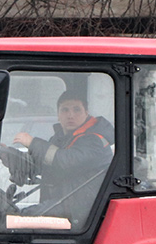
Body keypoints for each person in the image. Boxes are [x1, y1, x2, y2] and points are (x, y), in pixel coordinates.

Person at [8, 92, 114, 220]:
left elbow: (64, 161)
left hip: (84, 208)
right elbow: (46, 164)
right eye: (65, 110)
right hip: (65, 200)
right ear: (58, 115)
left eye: (77, 110)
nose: (70, 115)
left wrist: (32, 143)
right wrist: (12, 157)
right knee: (13, 216)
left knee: (20, 220)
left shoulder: (95, 140)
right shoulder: (61, 138)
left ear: (86, 113)